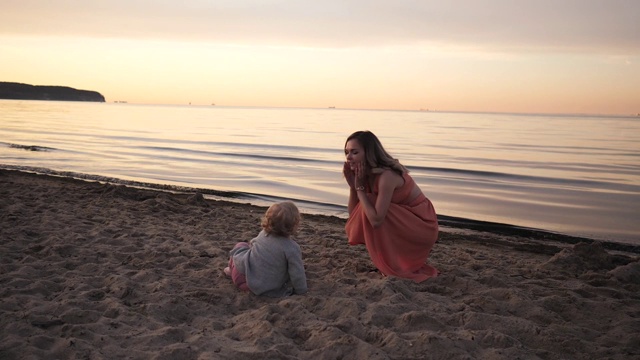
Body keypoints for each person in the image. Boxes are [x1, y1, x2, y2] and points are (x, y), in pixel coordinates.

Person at [343, 130, 439, 282]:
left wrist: (360, 188)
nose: (348, 157)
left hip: (422, 224)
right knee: (368, 204)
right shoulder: (365, 175)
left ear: (369, 153)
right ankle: (390, 263)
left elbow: (376, 221)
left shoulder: (387, 175)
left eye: (354, 152)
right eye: (347, 152)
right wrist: (353, 187)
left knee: (371, 204)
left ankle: (392, 265)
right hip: (404, 220)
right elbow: (354, 215)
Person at [224, 201, 308, 297]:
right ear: (295, 224)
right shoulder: (292, 248)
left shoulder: (263, 233)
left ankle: (231, 269)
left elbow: (252, 244)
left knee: (241, 245)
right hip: (262, 288)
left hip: (240, 276)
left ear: (268, 220)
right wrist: (302, 290)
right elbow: (297, 274)